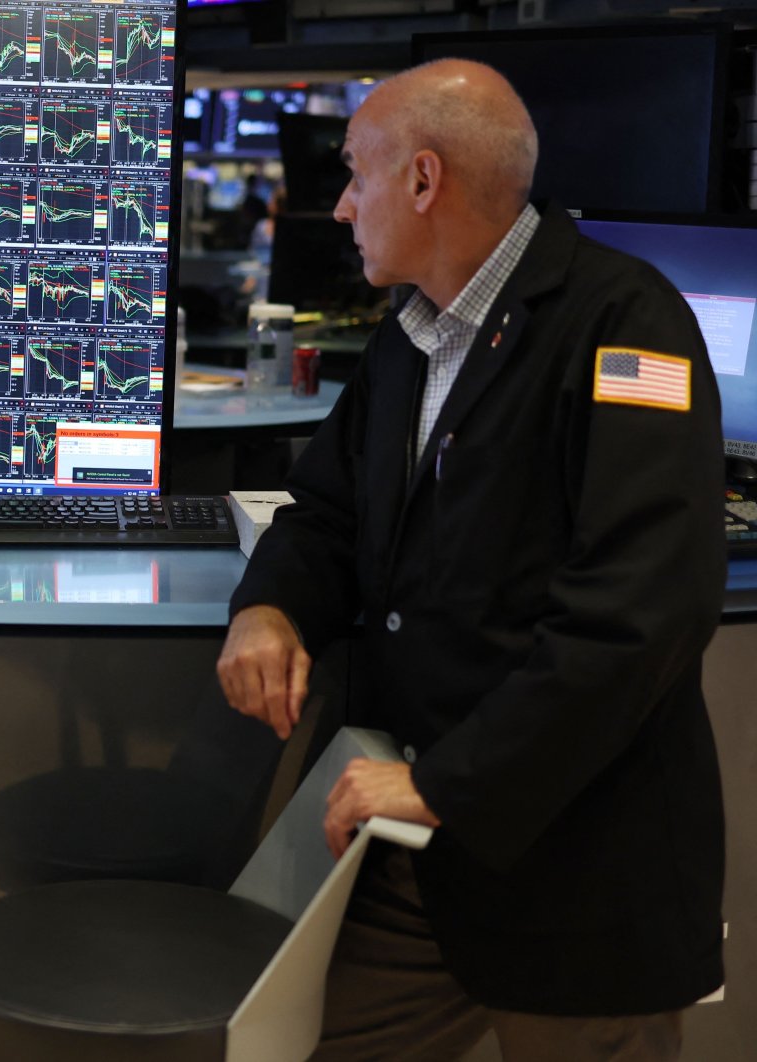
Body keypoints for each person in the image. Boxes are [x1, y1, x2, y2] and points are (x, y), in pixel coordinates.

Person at [216, 59, 726, 1060]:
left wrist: (449, 783)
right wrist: (268, 606)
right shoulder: (413, 335)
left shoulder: (624, 324)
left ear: (422, 179)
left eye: (356, 174)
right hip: (418, 866)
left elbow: (639, 614)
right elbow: (326, 511)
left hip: (573, 874)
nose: (339, 204)